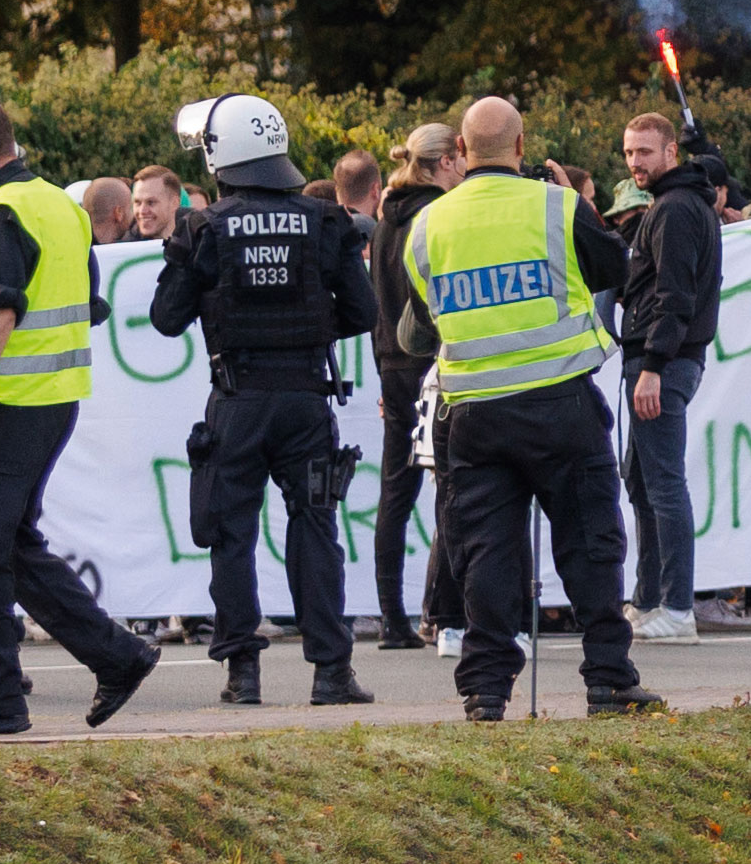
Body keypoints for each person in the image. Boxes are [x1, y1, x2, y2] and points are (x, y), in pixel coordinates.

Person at [403, 95, 661, 717]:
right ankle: (608, 678)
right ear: (521, 148)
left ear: (460, 154)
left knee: (487, 551)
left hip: (474, 416)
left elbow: (416, 332)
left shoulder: (428, 225)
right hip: (560, 405)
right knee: (591, 543)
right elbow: (616, 269)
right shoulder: (558, 205)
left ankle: (487, 692)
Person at [0, 93, 165, 736]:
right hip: (49, 404)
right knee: (11, 545)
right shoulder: (59, 204)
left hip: (2, 405)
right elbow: (87, 303)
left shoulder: (0, 211)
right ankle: (118, 657)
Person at [149, 93, 375, 706]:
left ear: (222, 156)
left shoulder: (203, 228)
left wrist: (185, 263)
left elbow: (166, 319)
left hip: (237, 401)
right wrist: (308, 325)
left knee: (232, 534)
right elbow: (363, 311)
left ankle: (242, 675)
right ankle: (332, 674)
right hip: (306, 399)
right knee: (316, 527)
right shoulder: (326, 221)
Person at [617, 107, 725, 645]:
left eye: (644, 151)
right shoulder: (672, 203)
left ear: (670, 153)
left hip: (663, 361)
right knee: (641, 481)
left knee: (662, 484)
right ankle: (649, 599)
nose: (635, 162)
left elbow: (674, 296)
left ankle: (677, 608)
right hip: (656, 359)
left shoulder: (677, 208)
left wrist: (653, 367)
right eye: (629, 152)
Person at [369, 119, 456, 643]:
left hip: (391, 362)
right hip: (430, 359)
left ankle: (391, 617)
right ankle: (438, 610)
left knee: (395, 488)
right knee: (452, 482)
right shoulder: (435, 215)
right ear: (445, 162)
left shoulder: (385, 221)